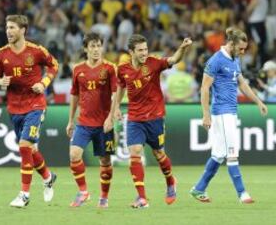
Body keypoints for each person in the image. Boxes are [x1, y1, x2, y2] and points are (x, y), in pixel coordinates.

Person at [111, 34, 192, 208]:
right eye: (140, 50)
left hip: (155, 117)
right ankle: (141, 198)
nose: (144, 53)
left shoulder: (154, 63)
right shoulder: (123, 69)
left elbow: (174, 59)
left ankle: (170, 181)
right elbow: (120, 87)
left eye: (145, 49)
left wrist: (183, 48)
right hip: (134, 118)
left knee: (158, 154)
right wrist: (116, 106)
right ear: (131, 51)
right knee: (135, 152)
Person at [190, 27, 268, 203]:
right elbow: (204, 88)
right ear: (231, 44)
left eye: (244, 49)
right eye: (240, 48)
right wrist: (206, 114)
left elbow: (242, 84)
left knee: (218, 154)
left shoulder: (234, 59)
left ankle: (199, 188)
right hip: (222, 112)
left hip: (231, 111)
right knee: (232, 153)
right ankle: (242, 193)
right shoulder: (215, 60)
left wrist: (258, 101)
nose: (242, 52)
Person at [0, 15, 58, 208]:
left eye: (12, 27)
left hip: (35, 106)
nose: (8, 31)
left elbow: (54, 65)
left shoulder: (36, 51)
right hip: (14, 108)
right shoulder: (1, 54)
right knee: (32, 149)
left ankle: (24, 195)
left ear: (23, 30)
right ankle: (48, 177)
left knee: (24, 145)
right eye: (7, 27)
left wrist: (44, 82)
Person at [66, 33, 116, 208]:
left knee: (105, 162)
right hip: (84, 122)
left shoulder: (110, 68)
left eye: (98, 46)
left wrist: (111, 116)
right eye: (92, 46)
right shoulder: (78, 69)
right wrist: (70, 120)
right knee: (74, 155)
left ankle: (104, 197)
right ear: (85, 48)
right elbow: (74, 95)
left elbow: (116, 93)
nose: (96, 50)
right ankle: (83, 191)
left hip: (104, 124)